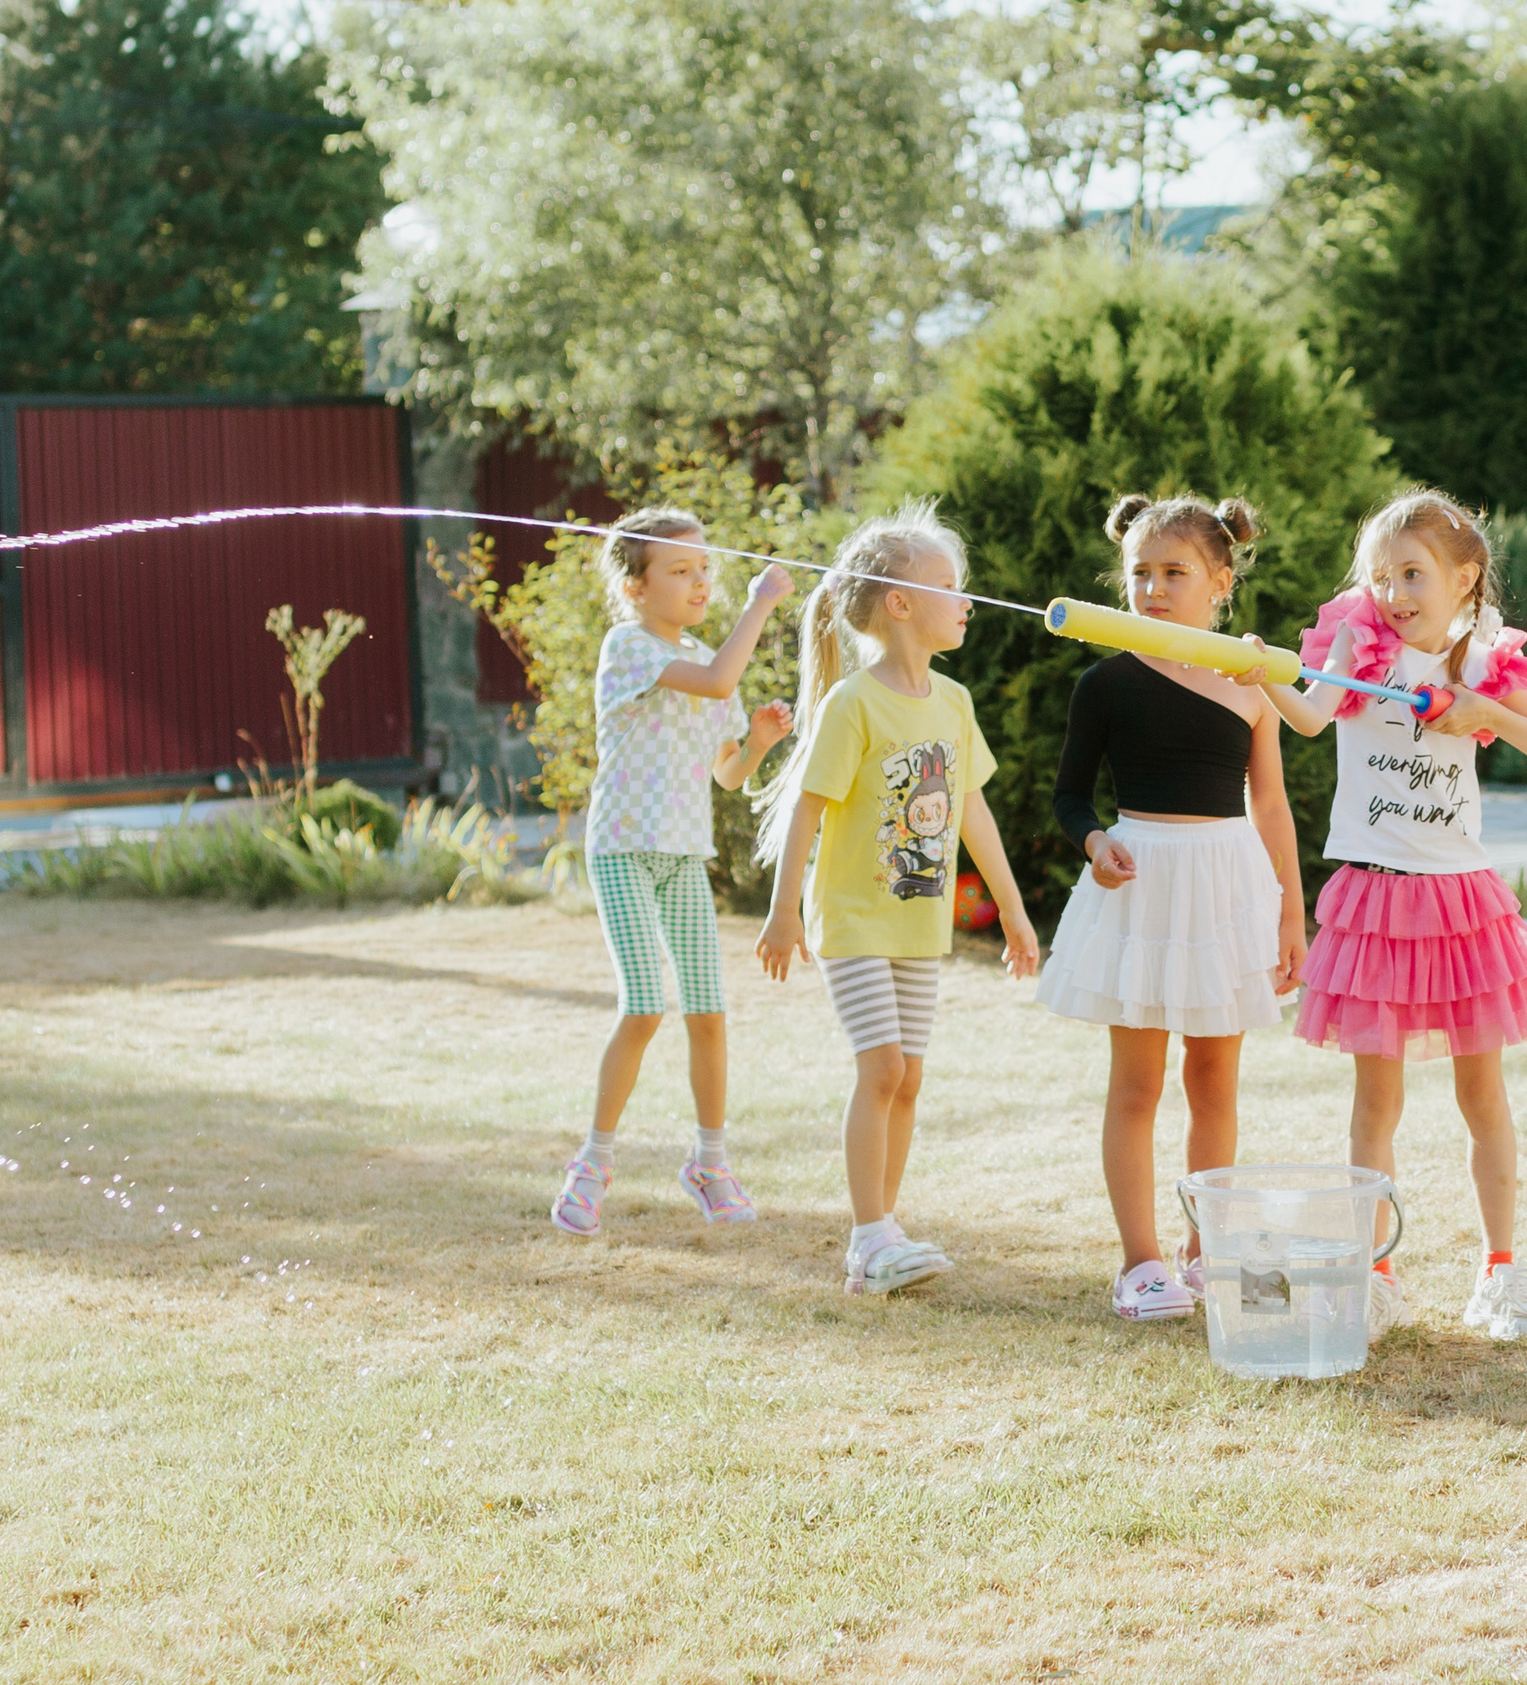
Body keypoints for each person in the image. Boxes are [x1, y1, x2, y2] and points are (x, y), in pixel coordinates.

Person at [1239, 489, 1527, 1342]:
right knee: (1375, 1100)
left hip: (1462, 901)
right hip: (1376, 896)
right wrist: (1269, 670)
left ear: (1464, 578)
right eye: (1382, 574)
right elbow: (1313, 715)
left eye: (1413, 574)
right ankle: (1377, 1273)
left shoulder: (1482, 660)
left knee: (1483, 1094)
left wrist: (1488, 711)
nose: (1394, 592)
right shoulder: (1358, 645)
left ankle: (1500, 1273)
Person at [752, 500, 1040, 1296]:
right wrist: (782, 912)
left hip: (919, 920)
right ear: (902, 603)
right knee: (879, 1068)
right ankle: (868, 1237)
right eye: (952, 586)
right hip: (850, 919)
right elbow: (808, 807)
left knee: (909, 1077)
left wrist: (1015, 914)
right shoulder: (854, 702)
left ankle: (882, 1228)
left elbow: (973, 810)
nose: (968, 601)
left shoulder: (953, 702)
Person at [1036, 495, 1307, 1322]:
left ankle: (1206, 1250)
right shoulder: (1105, 682)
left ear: (1220, 581)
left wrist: (1293, 912)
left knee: (1215, 1078)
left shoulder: (1251, 686)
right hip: (1143, 885)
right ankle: (1141, 1261)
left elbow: (1271, 809)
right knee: (1137, 1084)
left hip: (1227, 888)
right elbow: (1069, 796)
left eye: (1174, 573)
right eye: (1140, 574)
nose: (1153, 589)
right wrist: (1093, 844)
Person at [553, 507, 794, 1237]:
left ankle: (709, 1164)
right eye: (679, 570)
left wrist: (755, 742)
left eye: (703, 568)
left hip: (684, 852)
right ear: (634, 586)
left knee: (708, 1012)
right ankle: (591, 1166)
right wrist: (760, 601)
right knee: (645, 1002)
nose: (698, 581)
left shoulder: (697, 655)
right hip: (624, 848)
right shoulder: (629, 647)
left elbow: (727, 776)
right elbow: (722, 681)